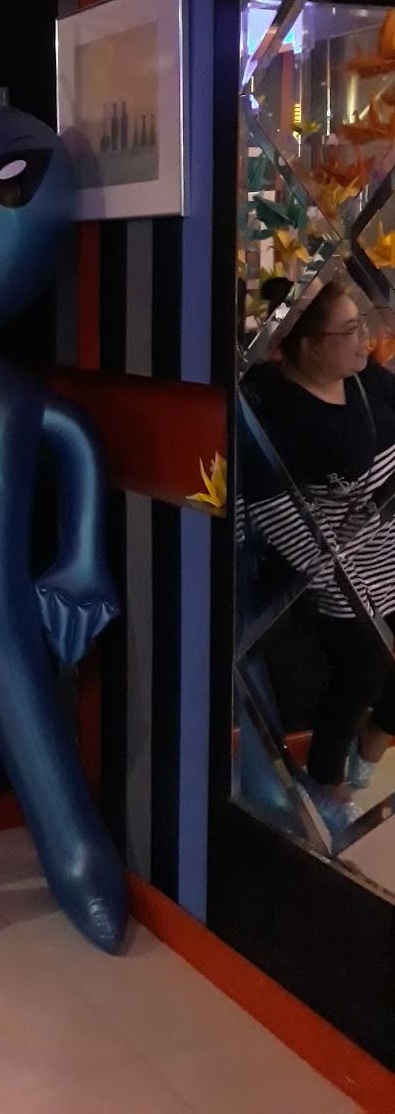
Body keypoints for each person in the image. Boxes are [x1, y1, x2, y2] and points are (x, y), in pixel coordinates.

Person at [245, 281, 395, 831]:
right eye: (349, 330)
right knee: (361, 672)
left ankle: (372, 743)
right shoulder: (281, 417)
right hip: (339, 570)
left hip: (389, 553)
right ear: (308, 347)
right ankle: (327, 783)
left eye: (363, 324)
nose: (364, 340)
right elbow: (275, 515)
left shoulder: (365, 379)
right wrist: (333, 564)